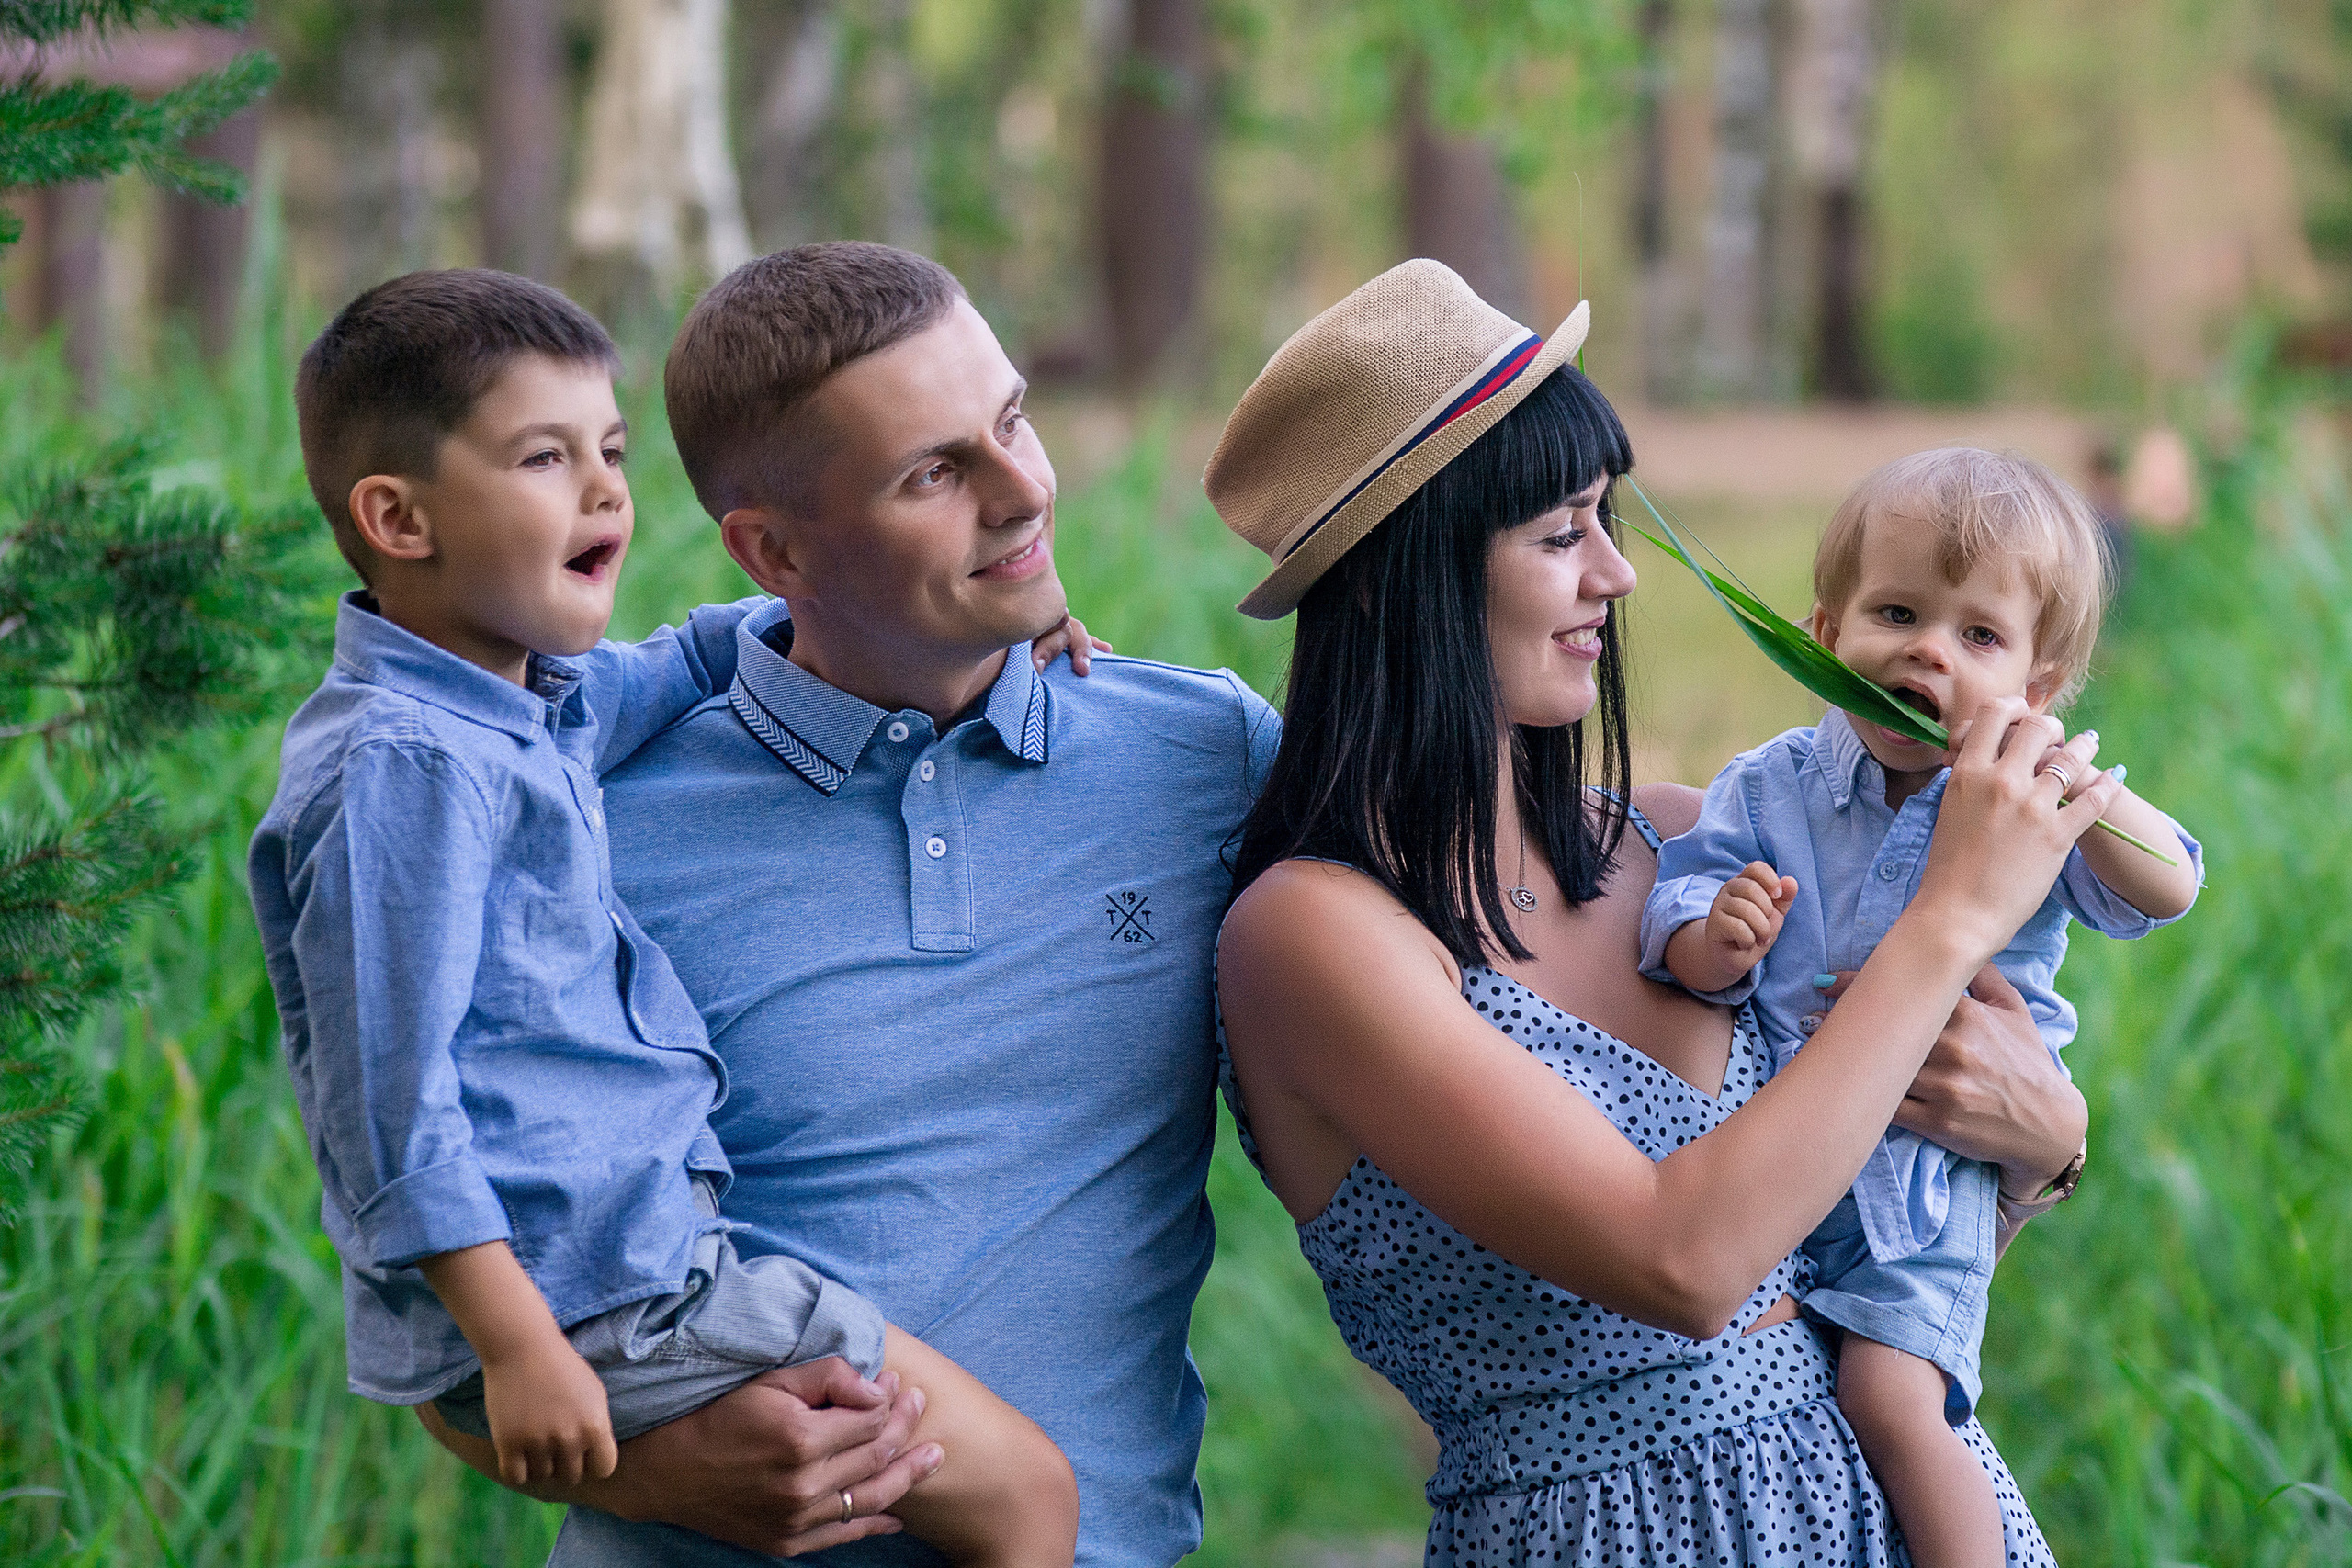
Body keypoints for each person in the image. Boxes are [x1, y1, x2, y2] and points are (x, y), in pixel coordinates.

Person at [1209, 260, 2106, 1564]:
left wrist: (2044, 1146)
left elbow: (1873, 1248)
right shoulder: (1315, 937)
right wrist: (1951, 918)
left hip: (1890, 1511)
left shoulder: (1693, 842)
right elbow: (1689, 1262)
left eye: (1606, 520)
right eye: (1562, 533)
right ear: (1409, 575)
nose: (1618, 577)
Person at [417, 242, 1281, 1565]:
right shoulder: (589, 832)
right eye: (933, 472)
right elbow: (443, 1341)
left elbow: (1509, 890)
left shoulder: (1204, 756)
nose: (1021, 493)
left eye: (1010, 421)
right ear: (772, 550)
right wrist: (666, 1475)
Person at [251, 268, 1079, 1568]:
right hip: (585, 1295)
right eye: (544, 457)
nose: (605, 494)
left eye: (612, 453)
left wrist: (997, 591)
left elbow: (691, 654)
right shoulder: (404, 768)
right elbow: (384, 1105)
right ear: (397, 518)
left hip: (613, 1273)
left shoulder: (526, 706)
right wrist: (517, 1344)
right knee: (1026, 1497)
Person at [1639, 446, 2200, 1567]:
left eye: (1978, 638)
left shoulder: (2027, 805)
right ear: (1823, 633)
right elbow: (1676, 907)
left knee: (1895, 1406)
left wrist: (2074, 784)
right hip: (1784, 1165)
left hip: (1930, 1195)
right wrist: (1716, 937)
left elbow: (2172, 882)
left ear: (2035, 690)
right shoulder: (1767, 785)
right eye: (1894, 612)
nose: (1927, 651)